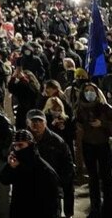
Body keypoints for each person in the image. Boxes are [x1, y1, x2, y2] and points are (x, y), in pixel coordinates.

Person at [0, 129, 61, 218]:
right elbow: (4, 180)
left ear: (30, 144)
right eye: (15, 146)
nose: (17, 149)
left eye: (20, 145)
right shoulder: (16, 164)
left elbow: (52, 204)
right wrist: (10, 167)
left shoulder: (43, 169)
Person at [26, 109, 74, 218]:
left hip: (51, 189)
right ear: (27, 123)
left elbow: (67, 165)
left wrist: (60, 184)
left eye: (40, 121)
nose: (36, 124)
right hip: (30, 188)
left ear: (45, 122)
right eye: (33, 121)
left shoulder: (57, 141)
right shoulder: (22, 140)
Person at [75, 81, 112, 217]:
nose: (89, 93)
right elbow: (77, 124)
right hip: (88, 144)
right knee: (93, 178)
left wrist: (102, 124)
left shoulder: (104, 107)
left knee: (106, 177)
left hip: (102, 144)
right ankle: (95, 208)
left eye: (92, 90)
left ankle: (108, 207)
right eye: (86, 91)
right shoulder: (80, 108)